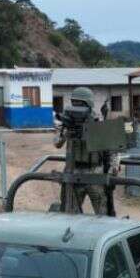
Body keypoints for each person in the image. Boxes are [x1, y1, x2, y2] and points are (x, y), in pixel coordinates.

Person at [54, 87, 108, 215]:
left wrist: (113, 168)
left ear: (89, 104)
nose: (76, 107)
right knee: (70, 214)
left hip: (95, 173)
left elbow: (111, 148)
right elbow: (57, 143)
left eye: (80, 104)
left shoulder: (98, 121)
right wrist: (66, 130)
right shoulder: (68, 121)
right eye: (74, 103)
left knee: (103, 215)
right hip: (73, 172)